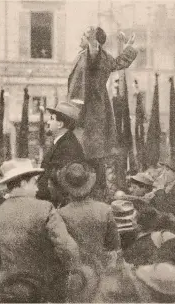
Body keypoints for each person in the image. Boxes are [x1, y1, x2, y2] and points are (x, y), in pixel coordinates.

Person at [0, 159, 80, 302]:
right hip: (40, 289)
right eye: (34, 183)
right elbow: (67, 248)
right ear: (23, 183)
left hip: (5, 290)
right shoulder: (45, 208)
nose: (37, 189)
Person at [67, 26, 137, 196]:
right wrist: (128, 47)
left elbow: (94, 53)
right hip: (93, 111)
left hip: (88, 110)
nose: (81, 37)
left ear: (93, 42)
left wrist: (92, 41)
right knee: (94, 152)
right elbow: (120, 62)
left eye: (84, 35)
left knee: (89, 151)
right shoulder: (103, 57)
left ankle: (93, 190)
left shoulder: (95, 55)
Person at [56, 162, 121, 302]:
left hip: (75, 276)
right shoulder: (105, 210)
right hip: (100, 271)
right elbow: (114, 245)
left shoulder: (61, 214)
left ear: (67, 187)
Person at [37, 102, 85, 206]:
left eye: (51, 119)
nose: (48, 122)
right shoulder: (62, 142)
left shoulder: (67, 146)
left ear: (60, 124)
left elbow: (57, 180)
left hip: (59, 205)